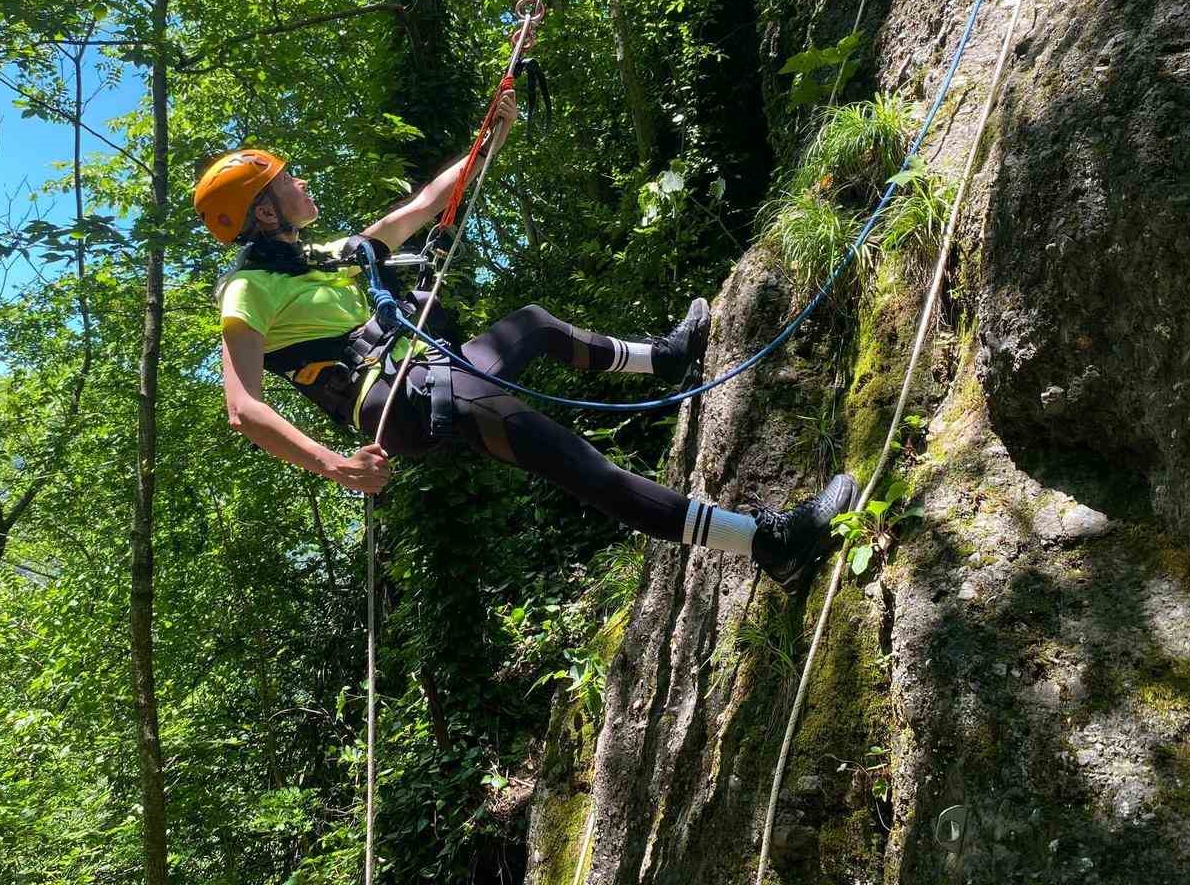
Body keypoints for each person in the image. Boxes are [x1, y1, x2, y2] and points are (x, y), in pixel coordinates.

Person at [199, 90, 854, 588]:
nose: (302, 182)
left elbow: (425, 204)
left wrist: (491, 137)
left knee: (533, 326)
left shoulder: (328, 255)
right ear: (263, 209)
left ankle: (669, 360)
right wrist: (332, 465)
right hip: (400, 400)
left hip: (430, 373)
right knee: (581, 466)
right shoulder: (246, 289)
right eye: (288, 181)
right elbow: (242, 408)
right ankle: (771, 542)